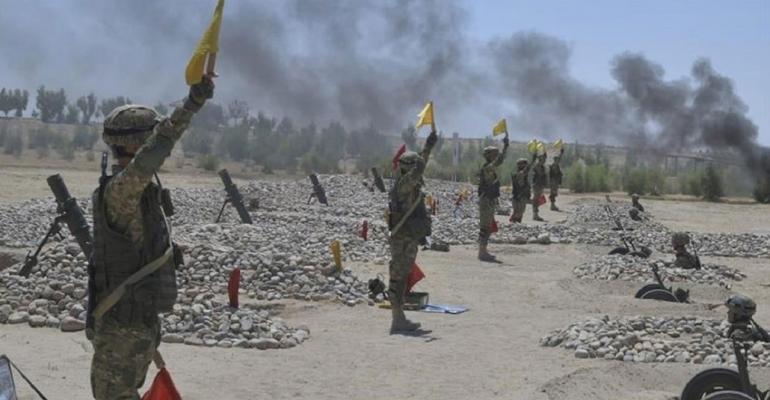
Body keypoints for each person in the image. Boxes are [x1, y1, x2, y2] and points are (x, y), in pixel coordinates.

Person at [89, 76, 214, 399]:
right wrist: (190, 106)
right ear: (137, 144)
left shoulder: (128, 191)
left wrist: (191, 105)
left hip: (125, 326)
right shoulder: (124, 191)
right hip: (132, 322)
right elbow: (156, 150)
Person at [387, 128, 438, 333]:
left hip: (408, 236)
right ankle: (397, 320)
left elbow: (418, 169)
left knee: (403, 275)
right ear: (406, 168)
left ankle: (399, 318)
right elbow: (418, 171)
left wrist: (428, 147)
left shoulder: (408, 182)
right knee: (397, 276)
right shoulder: (403, 185)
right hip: (401, 237)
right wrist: (427, 148)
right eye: (413, 165)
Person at [477, 136, 509, 262]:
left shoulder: (489, 168)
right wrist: (505, 148)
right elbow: (498, 162)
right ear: (488, 156)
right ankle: (482, 252)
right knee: (485, 227)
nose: (496, 156)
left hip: (489, 201)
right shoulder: (487, 168)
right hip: (486, 201)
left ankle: (484, 250)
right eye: (494, 154)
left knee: (488, 226)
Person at [510, 155, 535, 223]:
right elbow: (527, 169)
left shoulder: (515, 173)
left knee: (517, 211)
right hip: (520, 195)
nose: (525, 166)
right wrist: (533, 159)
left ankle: (515, 222)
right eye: (524, 164)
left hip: (517, 195)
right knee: (519, 212)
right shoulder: (520, 173)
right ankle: (515, 222)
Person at [531, 152, 548, 221]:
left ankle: (536, 214)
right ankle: (535, 215)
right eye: (543, 159)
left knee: (537, 200)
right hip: (537, 185)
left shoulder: (541, 166)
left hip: (540, 185)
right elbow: (540, 174)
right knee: (535, 200)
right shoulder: (537, 166)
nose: (544, 160)